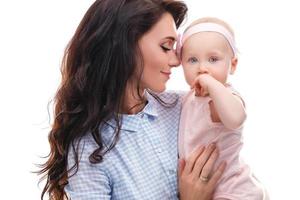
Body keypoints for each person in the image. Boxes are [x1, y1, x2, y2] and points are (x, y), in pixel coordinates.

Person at [37, 1, 227, 200]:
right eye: (165, 47)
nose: (176, 60)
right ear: (125, 44)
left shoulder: (185, 106)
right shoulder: (90, 150)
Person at [177, 17, 268, 199]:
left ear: (232, 65)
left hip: (233, 190)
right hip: (204, 191)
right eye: (192, 60)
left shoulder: (224, 97)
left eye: (213, 59)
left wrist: (212, 84)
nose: (202, 68)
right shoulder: (187, 98)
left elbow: (236, 119)